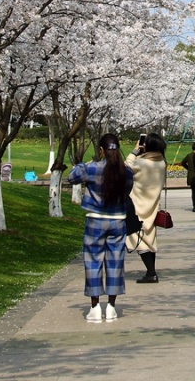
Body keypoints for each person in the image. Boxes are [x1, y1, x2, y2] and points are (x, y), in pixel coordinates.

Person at [68, 133, 134, 322]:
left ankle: (95, 306)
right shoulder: (127, 172)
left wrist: (82, 164)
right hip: (118, 221)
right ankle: (111, 307)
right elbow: (127, 191)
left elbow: (72, 177)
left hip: (95, 219)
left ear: (101, 150)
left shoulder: (91, 168)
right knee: (115, 262)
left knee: (93, 261)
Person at [126, 133, 167, 283]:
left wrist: (135, 151)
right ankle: (151, 271)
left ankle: (151, 272)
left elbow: (126, 166)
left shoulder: (141, 163)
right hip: (152, 205)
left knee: (137, 237)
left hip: (137, 204)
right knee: (149, 237)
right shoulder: (162, 162)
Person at [179, 143, 195, 211]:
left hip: (191, 176)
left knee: (194, 192)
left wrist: (188, 168)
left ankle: (194, 206)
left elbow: (183, 163)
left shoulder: (189, 155)